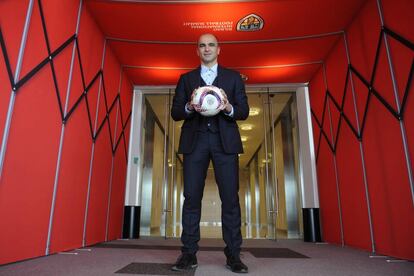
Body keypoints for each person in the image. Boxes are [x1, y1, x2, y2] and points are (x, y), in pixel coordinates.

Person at [170, 33, 249, 273]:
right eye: (202, 45)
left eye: (211, 45)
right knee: (192, 198)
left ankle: (233, 255)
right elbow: (176, 112)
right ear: (197, 51)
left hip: (224, 141)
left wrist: (228, 107)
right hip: (195, 141)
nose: (207, 49)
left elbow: (244, 111)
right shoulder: (186, 79)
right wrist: (188, 106)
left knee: (230, 199)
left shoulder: (234, 78)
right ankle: (188, 254)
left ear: (219, 49)